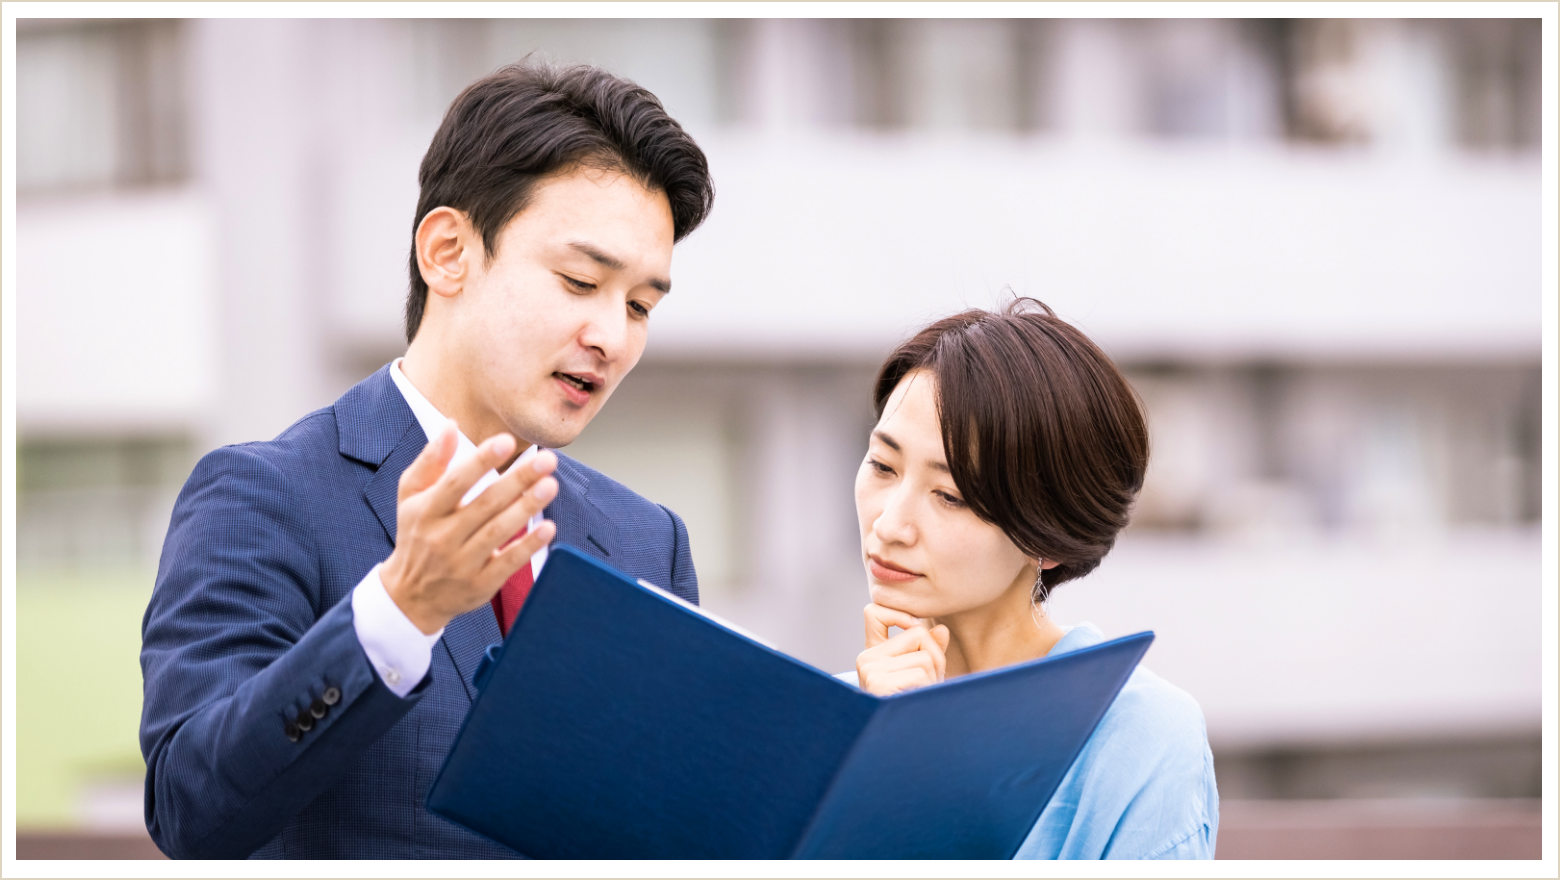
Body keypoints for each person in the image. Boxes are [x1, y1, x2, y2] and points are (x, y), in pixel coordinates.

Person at [139, 62, 715, 859]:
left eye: (641, 306)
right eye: (581, 280)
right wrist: (399, 612)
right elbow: (190, 809)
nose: (613, 338)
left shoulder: (651, 541)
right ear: (448, 252)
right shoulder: (264, 497)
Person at [845, 299, 1218, 859]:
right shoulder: (839, 717)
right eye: (882, 466)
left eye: (950, 496)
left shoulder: (1139, 737)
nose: (891, 524)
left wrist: (920, 773)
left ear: (1046, 537)